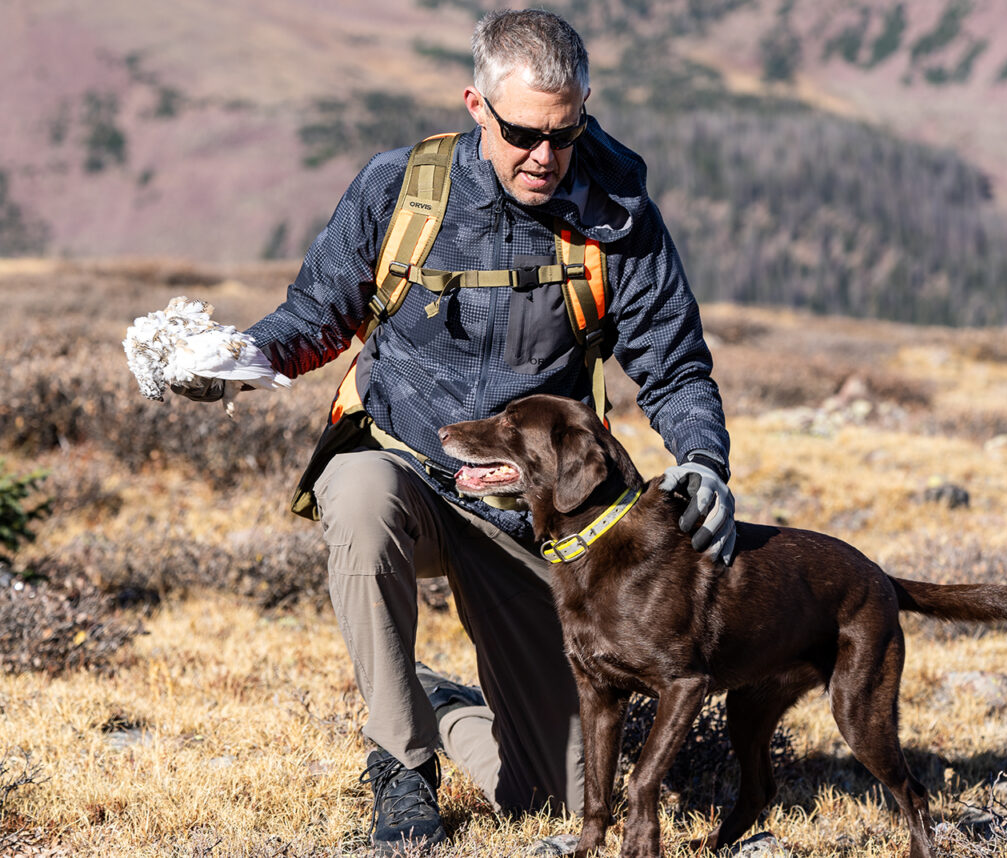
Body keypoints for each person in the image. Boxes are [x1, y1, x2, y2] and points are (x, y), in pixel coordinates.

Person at [176, 9, 734, 856]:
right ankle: (400, 765)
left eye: (566, 132)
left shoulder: (618, 220)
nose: (545, 156)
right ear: (477, 106)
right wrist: (244, 359)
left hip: (530, 518)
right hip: (401, 468)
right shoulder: (400, 189)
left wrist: (702, 461)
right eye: (522, 133)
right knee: (360, 494)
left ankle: (428, 700)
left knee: (552, 791)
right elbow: (318, 315)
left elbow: (676, 365)